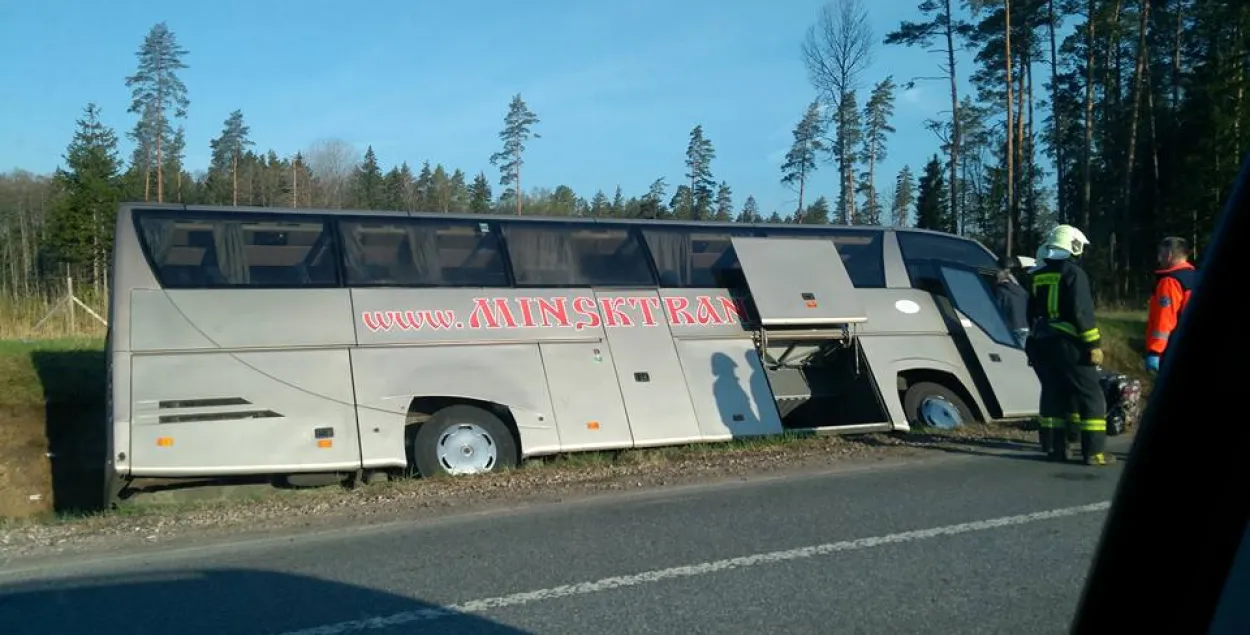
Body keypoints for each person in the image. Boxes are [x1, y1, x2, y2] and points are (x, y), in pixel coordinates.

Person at [1025, 224, 1112, 466]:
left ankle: (1055, 449)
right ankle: (1093, 452)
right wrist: (1093, 343)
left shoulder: (1037, 275)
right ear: (1072, 245)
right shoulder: (1074, 273)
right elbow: (1081, 312)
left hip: (1041, 343)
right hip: (1069, 344)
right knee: (1090, 395)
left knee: (1053, 394)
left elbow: (1030, 314)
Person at [1145, 236, 1197, 374]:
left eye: (1160, 255)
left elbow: (1164, 319)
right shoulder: (1195, 277)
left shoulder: (1169, 281)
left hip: (1173, 349)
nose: (1158, 259)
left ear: (1168, 255)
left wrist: (1155, 351)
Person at [993, 256, 1030, 347]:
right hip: (1024, 327)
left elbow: (996, 312)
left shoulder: (1001, 291)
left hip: (1011, 328)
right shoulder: (1021, 290)